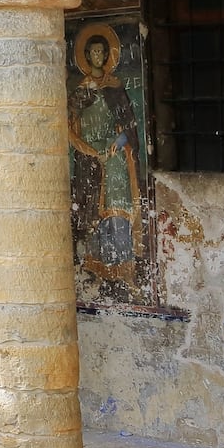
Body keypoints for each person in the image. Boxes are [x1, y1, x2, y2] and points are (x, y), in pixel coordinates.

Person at [68, 24, 144, 293]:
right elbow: (68, 128)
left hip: (115, 161)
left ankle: (124, 269)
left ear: (107, 55)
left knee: (117, 212)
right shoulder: (80, 91)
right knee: (92, 213)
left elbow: (129, 124)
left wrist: (117, 142)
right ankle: (95, 268)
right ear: (86, 56)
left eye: (102, 52)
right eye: (93, 52)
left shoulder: (115, 87)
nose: (98, 57)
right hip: (90, 160)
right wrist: (90, 151)